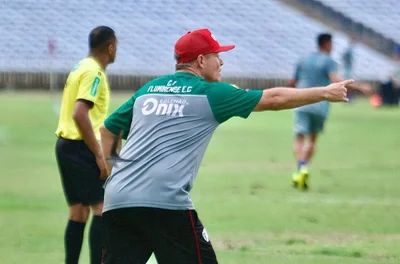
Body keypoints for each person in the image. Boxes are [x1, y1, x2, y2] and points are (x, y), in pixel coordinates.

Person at [99, 28, 351, 264]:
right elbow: (273, 99)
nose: (221, 62)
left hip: (118, 199)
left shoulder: (148, 90)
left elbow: (108, 129)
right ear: (200, 61)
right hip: (165, 203)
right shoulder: (212, 93)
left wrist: (114, 175)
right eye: (216, 56)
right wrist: (325, 93)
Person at [54, 26, 117, 264]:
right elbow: (80, 114)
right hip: (83, 148)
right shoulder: (94, 73)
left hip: (65, 146)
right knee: (101, 208)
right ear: (111, 47)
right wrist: (99, 156)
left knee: (78, 212)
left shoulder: (80, 66)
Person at [288, 33, 371, 190]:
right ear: (327, 44)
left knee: (299, 137)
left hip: (300, 102)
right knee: (312, 139)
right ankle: (304, 167)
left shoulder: (303, 60)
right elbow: (336, 80)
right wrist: (360, 87)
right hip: (319, 104)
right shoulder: (329, 61)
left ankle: (300, 167)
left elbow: (292, 82)